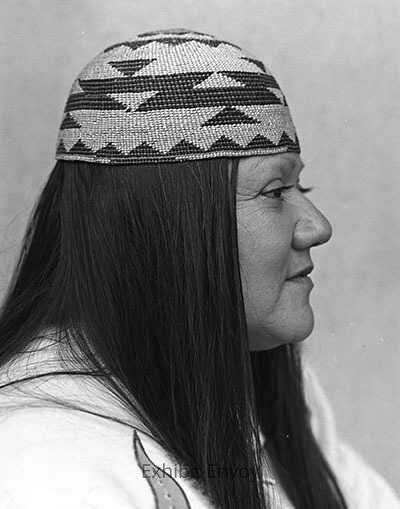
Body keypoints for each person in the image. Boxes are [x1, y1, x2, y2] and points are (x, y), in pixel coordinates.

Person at [0, 28, 398, 509]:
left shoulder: (257, 379)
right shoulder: (41, 466)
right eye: (275, 192)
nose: (318, 227)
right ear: (165, 227)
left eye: (302, 189)